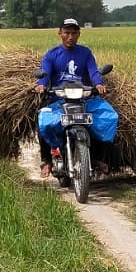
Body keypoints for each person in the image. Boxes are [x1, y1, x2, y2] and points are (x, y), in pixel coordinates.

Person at [34, 18, 116, 182]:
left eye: (73, 33)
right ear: (60, 34)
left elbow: (93, 71)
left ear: (79, 34)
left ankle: (98, 157)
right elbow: (46, 72)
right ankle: (47, 160)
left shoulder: (85, 53)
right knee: (42, 119)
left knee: (108, 117)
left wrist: (98, 83)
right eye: (67, 33)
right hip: (59, 99)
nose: (70, 36)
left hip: (83, 98)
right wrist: (42, 85)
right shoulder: (52, 54)